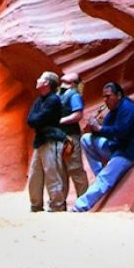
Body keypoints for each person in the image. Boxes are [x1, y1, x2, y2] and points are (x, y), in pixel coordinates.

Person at [71, 82, 134, 212]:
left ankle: (79, 207)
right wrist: (93, 129)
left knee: (105, 179)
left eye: (108, 96)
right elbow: (105, 132)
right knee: (86, 139)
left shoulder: (127, 109)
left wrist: (99, 128)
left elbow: (121, 132)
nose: (105, 100)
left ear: (118, 95)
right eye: (104, 97)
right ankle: (101, 174)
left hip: (129, 152)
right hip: (116, 147)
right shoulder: (113, 110)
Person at [26, 71, 67, 212]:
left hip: (51, 140)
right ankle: (36, 205)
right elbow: (31, 119)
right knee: (34, 175)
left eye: (40, 78)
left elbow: (38, 119)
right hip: (40, 140)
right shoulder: (40, 100)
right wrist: (37, 121)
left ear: (47, 83)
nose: (37, 79)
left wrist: (37, 121)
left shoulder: (54, 100)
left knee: (52, 173)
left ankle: (57, 205)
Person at [58, 72, 89, 200]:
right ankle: (59, 203)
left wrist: (59, 121)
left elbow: (78, 115)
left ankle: (84, 200)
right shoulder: (59, 94)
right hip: (59, 136)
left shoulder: (74, 95)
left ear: (73, 82)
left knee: (75, 168)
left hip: (70, 136)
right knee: (60, 170)